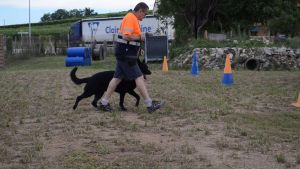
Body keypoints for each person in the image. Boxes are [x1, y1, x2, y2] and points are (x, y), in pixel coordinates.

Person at [99, 2, 165, 113]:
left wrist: (139, 44)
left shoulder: (132, 18)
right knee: (139, 77)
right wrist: (141, 37)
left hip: (125, 53)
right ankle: (149, 105)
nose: (145, 16)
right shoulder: (131, 18)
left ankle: (104, 102)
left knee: (117, 78)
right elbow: (126, 36)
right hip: (126, 54)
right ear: (140, 11)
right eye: (145, 13)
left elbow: (130, 37)